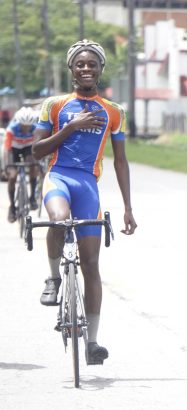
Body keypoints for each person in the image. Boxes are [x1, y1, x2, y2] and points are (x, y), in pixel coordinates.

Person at [32, 39, 137, 363]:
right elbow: (37, 150)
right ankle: (53, 277)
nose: (86, 68)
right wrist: (72, 127)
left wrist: (128, 208)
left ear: (101, 69)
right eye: (80, 64)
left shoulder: (113, 112)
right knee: (59, 220)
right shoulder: (55, 105)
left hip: (88, 185)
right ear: (72, 70)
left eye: (92, 64)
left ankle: (92, 343)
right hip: (59, 177)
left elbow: (120, 161)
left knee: (92, 265)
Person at [4, 106, 40, 222]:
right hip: (13, 150)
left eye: (28, 126)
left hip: (27, 148)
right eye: (23, 126)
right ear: (19, 123)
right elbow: (7, 149)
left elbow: (37, 148)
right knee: (13, 176)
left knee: (34, 166)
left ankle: (32, 198)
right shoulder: (11, 129)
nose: (26, 128)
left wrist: (38, 163)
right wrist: (6, 167)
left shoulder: (35, 129)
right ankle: (12, 207)